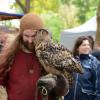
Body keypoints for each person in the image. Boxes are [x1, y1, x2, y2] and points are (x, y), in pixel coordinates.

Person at [0, 13, 69, 100]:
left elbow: (63, 91)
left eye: (34, 36)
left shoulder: (52, 55)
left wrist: (60, 82)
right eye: (26, 36)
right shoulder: (10, 55)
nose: (30, 40)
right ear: (21, 34)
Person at [64, 36, 100, 100]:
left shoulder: (94, 63)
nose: (87, 47)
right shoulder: (70, 61)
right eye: (84, 45)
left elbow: (98, 86)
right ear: (78, 48)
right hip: (69, 97)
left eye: (88, 45)